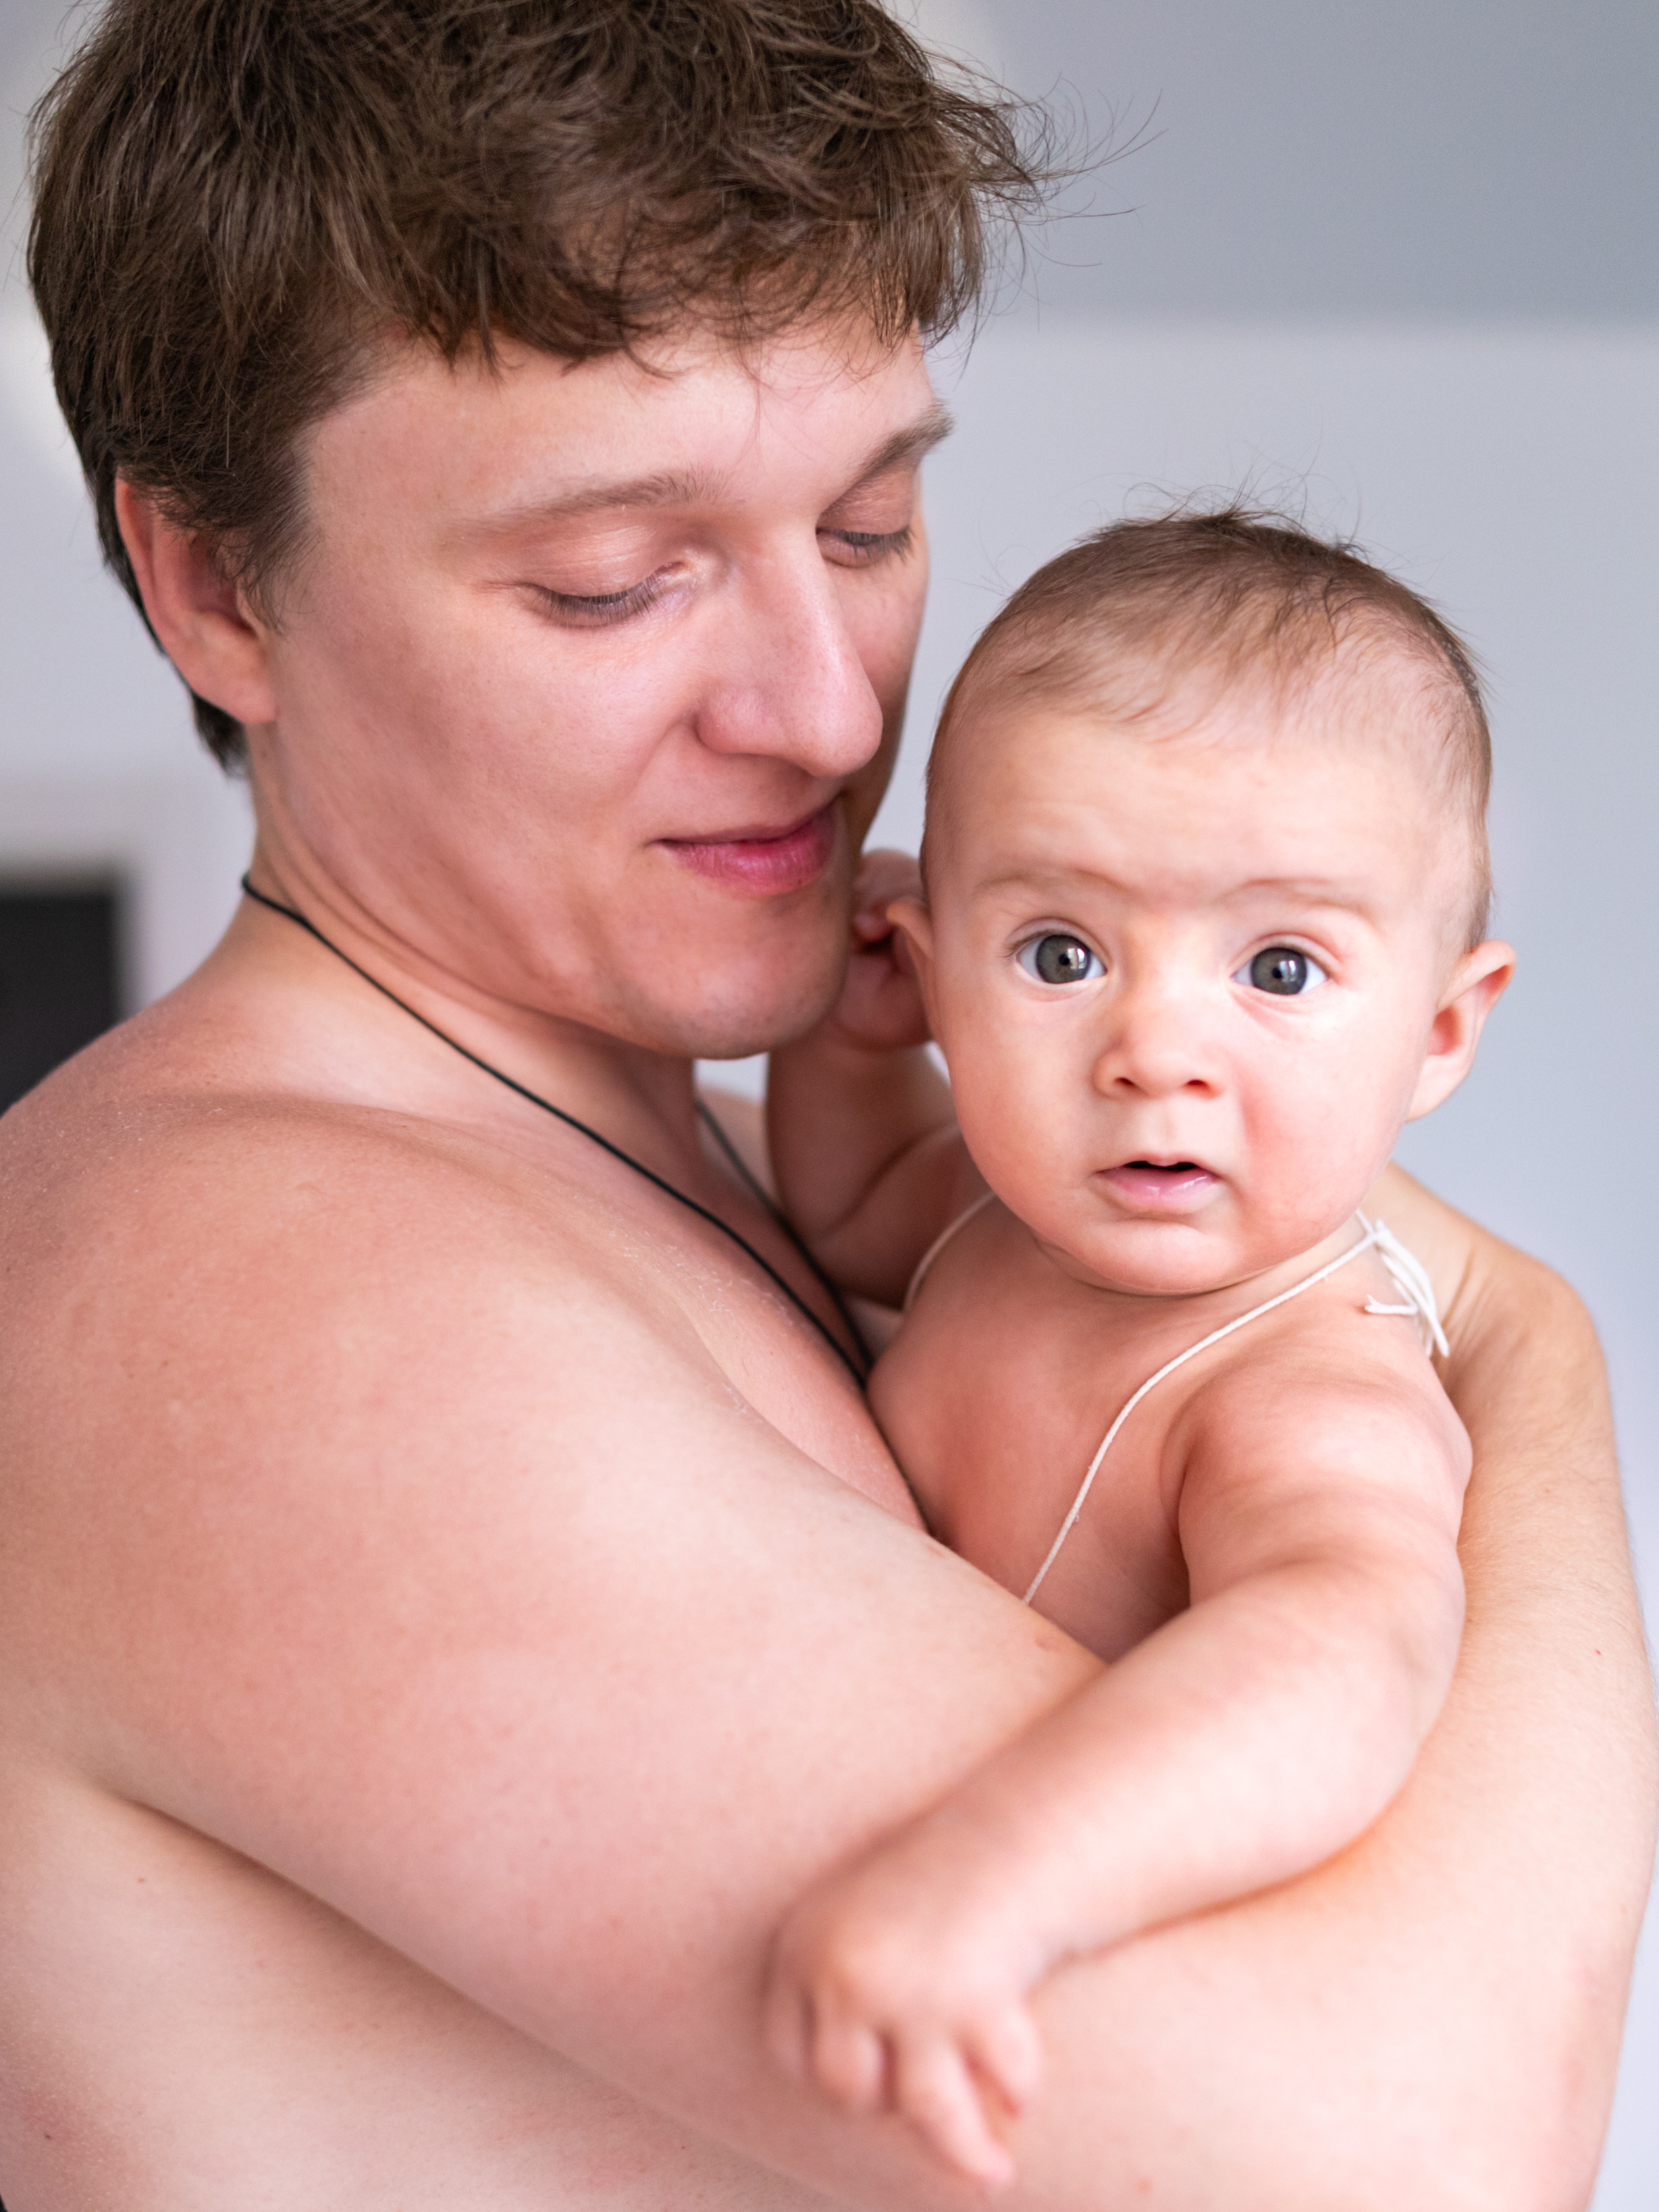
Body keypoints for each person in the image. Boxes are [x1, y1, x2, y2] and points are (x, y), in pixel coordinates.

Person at [0, 2, 1650, 2206]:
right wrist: (1516, 1339)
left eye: (868, 521)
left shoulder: (721, 1168)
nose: (822, 708)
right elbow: (1408, 2159)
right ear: (215, 584)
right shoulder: (260, 1292)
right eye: (615, 578)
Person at [762, 512, 1511, 2183]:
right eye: (1058, 953)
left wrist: (999, 1880)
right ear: (937, 970)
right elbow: (851, 1209)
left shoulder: (1307, 1383)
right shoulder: (995, 1214)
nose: (1151, 1050)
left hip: (1122, 2048)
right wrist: (839, 1040)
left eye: (1276, 966)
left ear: (1441, 1028)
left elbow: (1343, 1653)